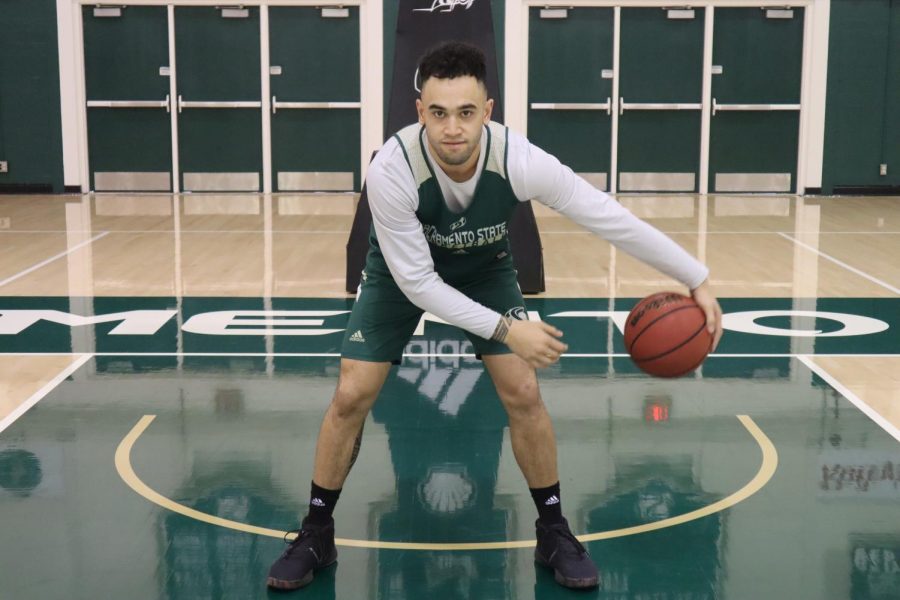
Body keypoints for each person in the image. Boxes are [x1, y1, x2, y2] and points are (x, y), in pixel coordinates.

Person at [266, 41, 723, 591]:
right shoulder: (392, 168)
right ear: (419, 114)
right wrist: (509, 329)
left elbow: (604, 214)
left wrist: (695, 276)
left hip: (484, 268)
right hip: (400, 275)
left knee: (523, 391)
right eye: (438, 113)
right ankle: (316, 531)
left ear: (488, 110)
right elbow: (419, 285)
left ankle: (553, 530)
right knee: (351, 394)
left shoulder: (520, 160)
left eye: (465, 112)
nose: (452, 128)